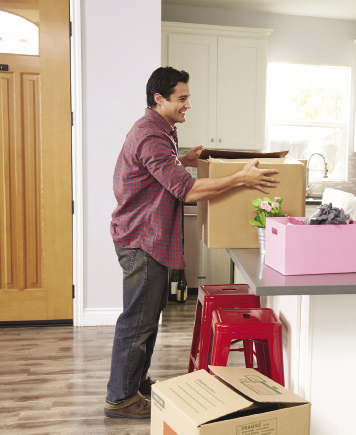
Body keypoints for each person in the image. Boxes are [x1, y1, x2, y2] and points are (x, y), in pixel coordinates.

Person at [104, 67, 280, 419]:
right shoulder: (152, 136)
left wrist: (181, 161)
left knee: (147, 319)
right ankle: (120, 398)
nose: (188, 105)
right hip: (143, 239)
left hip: (143, 236)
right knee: (137, 322)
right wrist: (240, 179)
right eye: (182, 98)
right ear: (159, 98)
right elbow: (188, 190)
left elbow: (157, 173)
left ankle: (134, 382)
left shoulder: (158, 132)